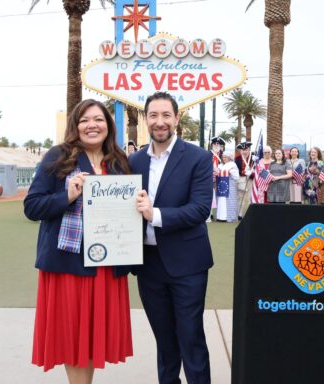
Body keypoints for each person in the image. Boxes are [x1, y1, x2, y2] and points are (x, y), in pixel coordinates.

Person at [23, 99, 133, 384]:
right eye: (85, 120)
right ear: (75, 125)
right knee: (74, 338)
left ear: (108, 126)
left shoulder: (119, 162)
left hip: (107, 264)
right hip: (69, 265)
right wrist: (68, 195)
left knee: (93, 337)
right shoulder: (58, 156)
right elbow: (33, 207)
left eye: (98, 119)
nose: (91, 125)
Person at [129, 92, 213, 384]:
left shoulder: (198, 157)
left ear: (177, 119)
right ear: (146, 120)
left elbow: (200, 208)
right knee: (164, 341)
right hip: (148, 264)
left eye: (166, 115)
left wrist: (156, 215)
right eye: (154, 115)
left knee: (190, 337)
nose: (160, 121)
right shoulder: (134, 161)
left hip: (188, 264)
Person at [216, 149, 240, 222]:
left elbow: (236, 176)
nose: (224, 158)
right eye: (223, 157)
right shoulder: (220, 165)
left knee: (229, 202)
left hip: (230, 186)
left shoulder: (232, 165)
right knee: (221, 201)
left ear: (229, 157)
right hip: (221, 186)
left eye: (226, 157)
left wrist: (230, 172)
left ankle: (230, 217)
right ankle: (221, 217)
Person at [235, 141, 252, 218]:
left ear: (249, 150)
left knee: (249, 198)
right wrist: (243, 172)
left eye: (246, 150)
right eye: (243, 150)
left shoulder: (253, 158)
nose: (245, 152)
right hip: (241, 179)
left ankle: (248, 213)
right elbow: (236, 169)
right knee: (240, 197)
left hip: (251, 180)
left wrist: (251, 171)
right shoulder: (237, 158)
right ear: (241, 150)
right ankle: (240, 214)